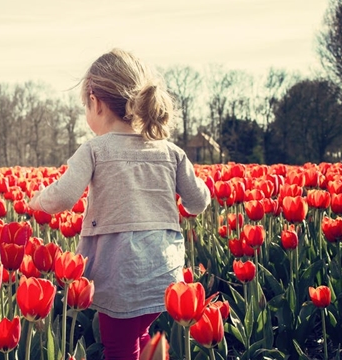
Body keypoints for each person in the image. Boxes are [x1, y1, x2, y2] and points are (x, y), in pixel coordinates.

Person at [28, 49, 210, 360]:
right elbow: (198, 202)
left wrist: (36, 200)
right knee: (139, 335)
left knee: (119, 347)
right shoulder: (170, 151)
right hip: (164, 273)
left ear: (95, 101)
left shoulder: (95, 150)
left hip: (120, 272)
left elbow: (62, 197)